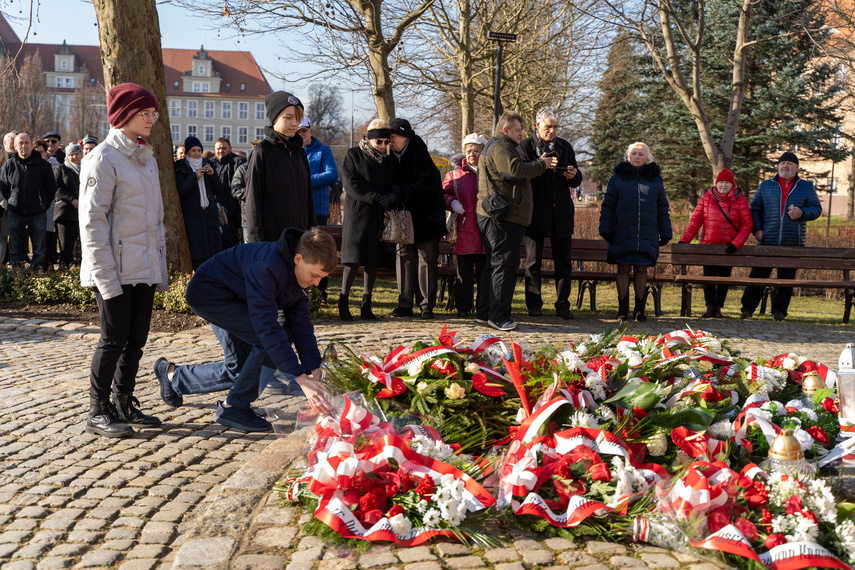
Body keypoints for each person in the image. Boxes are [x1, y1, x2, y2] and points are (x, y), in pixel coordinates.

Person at [152, 227, 337, 432]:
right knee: (269, 344)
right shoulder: (267, 266)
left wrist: (315, 372)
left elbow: (301, 325)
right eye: (315, 275)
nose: (317, 283)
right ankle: (234, 408)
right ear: (298, 258)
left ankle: (172, 377)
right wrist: (301, 380)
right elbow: (267, 329)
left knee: (242, 370)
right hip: (210, 294)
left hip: (237, 298)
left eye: (322, 277)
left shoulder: (299, 276)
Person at [79, 82, 167, 437]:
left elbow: (157, 219)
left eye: (154, 114)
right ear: (125, 115)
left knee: (136, 340)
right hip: (114, 269)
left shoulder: (147, 160)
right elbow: (92, 221)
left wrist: (158, 266)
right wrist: (104, 275)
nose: (152, 120)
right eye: (146, 113)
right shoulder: (102, 158)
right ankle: (97, 409)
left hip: (143, 267)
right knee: (112, 339)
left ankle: (123, 401)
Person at [474, 111, 555, 331]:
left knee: (493, 266)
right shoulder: (502, 146)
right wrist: (541, 165)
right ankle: (499, 317)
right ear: (505, 129)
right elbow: (513, 171)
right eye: (518, 130)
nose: (521, 134)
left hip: (496, 215)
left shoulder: (498, 145)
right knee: (503, 266)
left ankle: (484, 312)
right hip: (503, 217)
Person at [740, 152, 822, 321]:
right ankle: (747, 310)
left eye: (790, 163)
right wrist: (757, 230)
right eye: (783, 163)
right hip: (767, 240)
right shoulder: (765, 186)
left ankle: (779, 312)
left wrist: (803, 212)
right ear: (777, 166)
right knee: (757, 276)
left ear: (797, 167)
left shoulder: (806, 186)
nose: (786, 166)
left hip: (793, 242)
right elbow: (755, 210)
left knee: (786, 279)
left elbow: (816, 209)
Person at [520, 106, 583, 320]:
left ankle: (562, 304)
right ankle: (534, 304)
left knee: (563, 262)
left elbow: (576, 178)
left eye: (556, 127)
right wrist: (540, 165)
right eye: (548, 127)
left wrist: (573, 175)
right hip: (535, 212)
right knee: (533, 262)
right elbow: (520, 174)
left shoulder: (565, 146)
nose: (552, 131)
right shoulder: (525, 146)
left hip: (561, 213)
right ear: (537, 125)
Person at [598, 142, 672, 323]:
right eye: (633, 154)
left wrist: (666, 231)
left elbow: (662, 207)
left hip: (647, 232)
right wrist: (606, 228)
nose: (637, 157)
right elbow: (608, 206)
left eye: (640, 154)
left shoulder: (656, 180)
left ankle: (639, 310)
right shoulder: (617, 179)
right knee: (622, 268)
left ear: (647, 158)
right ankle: (622, 310)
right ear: (628, 156)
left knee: (641, 269)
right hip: (622, 231)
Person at [339, 119, 398, 321]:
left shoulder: (389, 161)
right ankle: (343, 302)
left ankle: (366, 304)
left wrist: (391, 197)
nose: (382, 146)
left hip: (378, 214)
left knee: (372, 260)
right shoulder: (354, 155)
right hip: (358, 214)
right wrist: (376, 197)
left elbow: (395, 182)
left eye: (386, 142)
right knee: (353, 260)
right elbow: (351, 184)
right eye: (379, 142)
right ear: (370, 139)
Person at [388, 118, 446, 319]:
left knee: (426, 260)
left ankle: (426, 305)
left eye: (394, 137)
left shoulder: (418, 152)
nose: (391, 141)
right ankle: (404, 304)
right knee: (404, 258)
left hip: (426, 217)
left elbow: (428, 182)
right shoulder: (390, 157)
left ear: (405, 137)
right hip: (403, 218)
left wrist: (401, 193)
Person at [679, 168, 752, 317]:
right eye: (721, 182)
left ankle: (718, 307)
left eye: (727, 183)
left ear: (733, 185)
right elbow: (695, 222)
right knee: (708, 278)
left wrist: (735, 244)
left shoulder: (740, 200)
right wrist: (684, 241)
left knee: (724, 279)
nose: (723, 185)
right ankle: (709, 307)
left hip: (728, 248)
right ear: (716, 184)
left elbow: (747, 225)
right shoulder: (706, 198)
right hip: (708, 247)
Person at [245, 91, 314, 242]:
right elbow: (253, 204)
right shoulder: (262, 153)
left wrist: (312, 236)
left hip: (300, 241)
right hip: (273, 243)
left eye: (298, 118)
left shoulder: (299, 153)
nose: (295, 123)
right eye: (288, 118)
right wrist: (257, 246)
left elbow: (308, 200)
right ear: (274, 118)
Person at [442, 133, 486, 318]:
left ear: (483, 152)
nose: (472, 154)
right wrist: (452, 202)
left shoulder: (489, 173)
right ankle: (463, 307)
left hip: (485, 231)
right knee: (464, 273)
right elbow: (442, 194)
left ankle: (484, 308)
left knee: (485, 274)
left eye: (476, 151)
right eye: (469, 151)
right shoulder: (454, 175)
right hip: (464, 230)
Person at [299, 117, 339, 306]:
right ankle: (300, 292)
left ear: (310, 131)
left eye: (303, 131)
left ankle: (320, 294)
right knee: (299, 251)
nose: (301, 135)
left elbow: (332, 174)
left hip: (317, 209)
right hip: (296, 209)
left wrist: (305, 179)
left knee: (320, 250)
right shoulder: (290, 151)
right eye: (297, 132)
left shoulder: (323, 151)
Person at [0, 133, 55, 270]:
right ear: (15, 146)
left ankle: (36, 278)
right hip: (16, 212)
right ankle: (18, 278)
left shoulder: (44, 166)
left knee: (38, 250)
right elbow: (4, 188)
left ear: (31, 145)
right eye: (21, 143)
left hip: (38, 213)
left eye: (26, 143)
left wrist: (43, 205)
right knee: (15, 249)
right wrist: (13, 201)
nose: (24, 146)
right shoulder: (9, 165)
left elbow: (51, 188)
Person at [175, 136, 223, 269]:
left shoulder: (208, 163)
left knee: (213, 249)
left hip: (210, 214)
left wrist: (212, 175)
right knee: (198, 250)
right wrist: (194, 177)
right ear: (187, 153)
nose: (196, 154)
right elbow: (182, 190)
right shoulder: (180, 167)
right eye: (193, 151)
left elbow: (218, 189)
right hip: (193, 214)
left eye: (198, 150)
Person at [211, 137, 246, 249]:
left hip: (232, 215)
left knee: (232, 247)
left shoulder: (238, 162)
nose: (221, 151)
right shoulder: (211, 164)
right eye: (218, 148)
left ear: (230, 149)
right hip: (216, 214)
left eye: (224, 148)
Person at [53, 142, 84, 267]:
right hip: (65, 214)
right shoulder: (61, 168)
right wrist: (72, 200)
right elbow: (56, 188)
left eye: (77, 154)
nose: (75, 157)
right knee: (66, 247)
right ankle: (64, 272)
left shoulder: (86, 169)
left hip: (83, 213)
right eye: (72, 154)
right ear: (67, 156)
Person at [33, 138, 60, 271]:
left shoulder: (53, 165)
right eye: (36, 151)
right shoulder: (29, 165)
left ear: (46, 153)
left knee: (45, 240)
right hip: (31, 209)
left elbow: (51, 188)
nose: (38, 154)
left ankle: (45, 267)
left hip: (47, 208)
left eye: (41, 152)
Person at [231, 139, 261, 243]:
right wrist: (253, 194)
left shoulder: (271, 168)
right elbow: (235, 188)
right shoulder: (243, 169)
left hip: (268, 217)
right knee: (250, 248)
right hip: (248, 217)